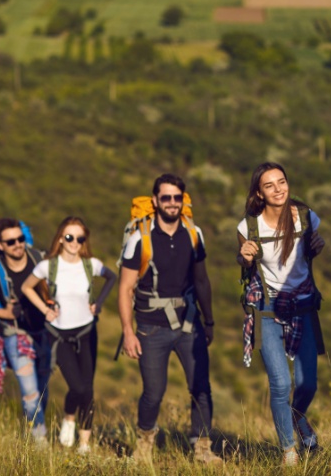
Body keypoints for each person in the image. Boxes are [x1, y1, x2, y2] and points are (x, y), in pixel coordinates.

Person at [117, 173, 221, 465]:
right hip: (151, 328)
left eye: (177, 197)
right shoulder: (140, 238)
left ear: (183, 200)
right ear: (155, 201)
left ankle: (202, 449)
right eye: (166, 197)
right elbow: (125, 289)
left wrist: (209, 322)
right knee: (153, 392)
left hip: (190, 324)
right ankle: (144, 446)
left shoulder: (193, 234)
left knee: (201, 387)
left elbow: (202, 281)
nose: (172, 203)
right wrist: (128, 331)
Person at [237, 162, 326, 468]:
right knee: (280, 384)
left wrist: (317, 245)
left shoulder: (306, 216)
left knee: (308, 384)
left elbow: (314, 247)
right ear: (259, 193)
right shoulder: (248, 227)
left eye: (282, 182)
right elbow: (245, 263)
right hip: (267, 309)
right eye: (269, 185)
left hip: (303, 308)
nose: (278, 189)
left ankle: (296, 418)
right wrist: (244, 256)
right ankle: (289, 452)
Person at [21, 216, 117, 453]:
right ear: (61, 239)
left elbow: (112, 277)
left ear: (84, 240)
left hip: (86, 332)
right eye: (69, 237)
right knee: (78, 387)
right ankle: (68, 416)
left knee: (88, 388)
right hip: (59, 335)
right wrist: (45, 309)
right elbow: (26, 287)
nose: (74, 242)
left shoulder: (90, 264)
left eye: (79, 238)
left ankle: (84, 444)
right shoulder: (48, 266)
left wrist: (99, 304)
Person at [0, 218, 49, 444]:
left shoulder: (39, 259)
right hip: (15, 335)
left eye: (20, 238)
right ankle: (41, 443)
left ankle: (35, 429)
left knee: (42, 388)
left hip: (44, 332)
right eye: (11, 241)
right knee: (30, 391)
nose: (17, 244)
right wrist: (5, 314)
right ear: (0, 245)